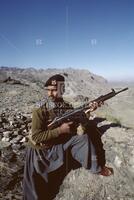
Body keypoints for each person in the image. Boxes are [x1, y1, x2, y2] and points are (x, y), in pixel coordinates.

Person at [23, 74, 113, 200]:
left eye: (54, 90)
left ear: (62, 90)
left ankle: (96, 168)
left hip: (55, 145)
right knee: (34, 192)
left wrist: (88, 111)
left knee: (82, 138)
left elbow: (78, 124)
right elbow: (37, 136)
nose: (50, 94)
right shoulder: (40, 108)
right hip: (39, 152)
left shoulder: (65, 106)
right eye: (48, 90)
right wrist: (60, 130)